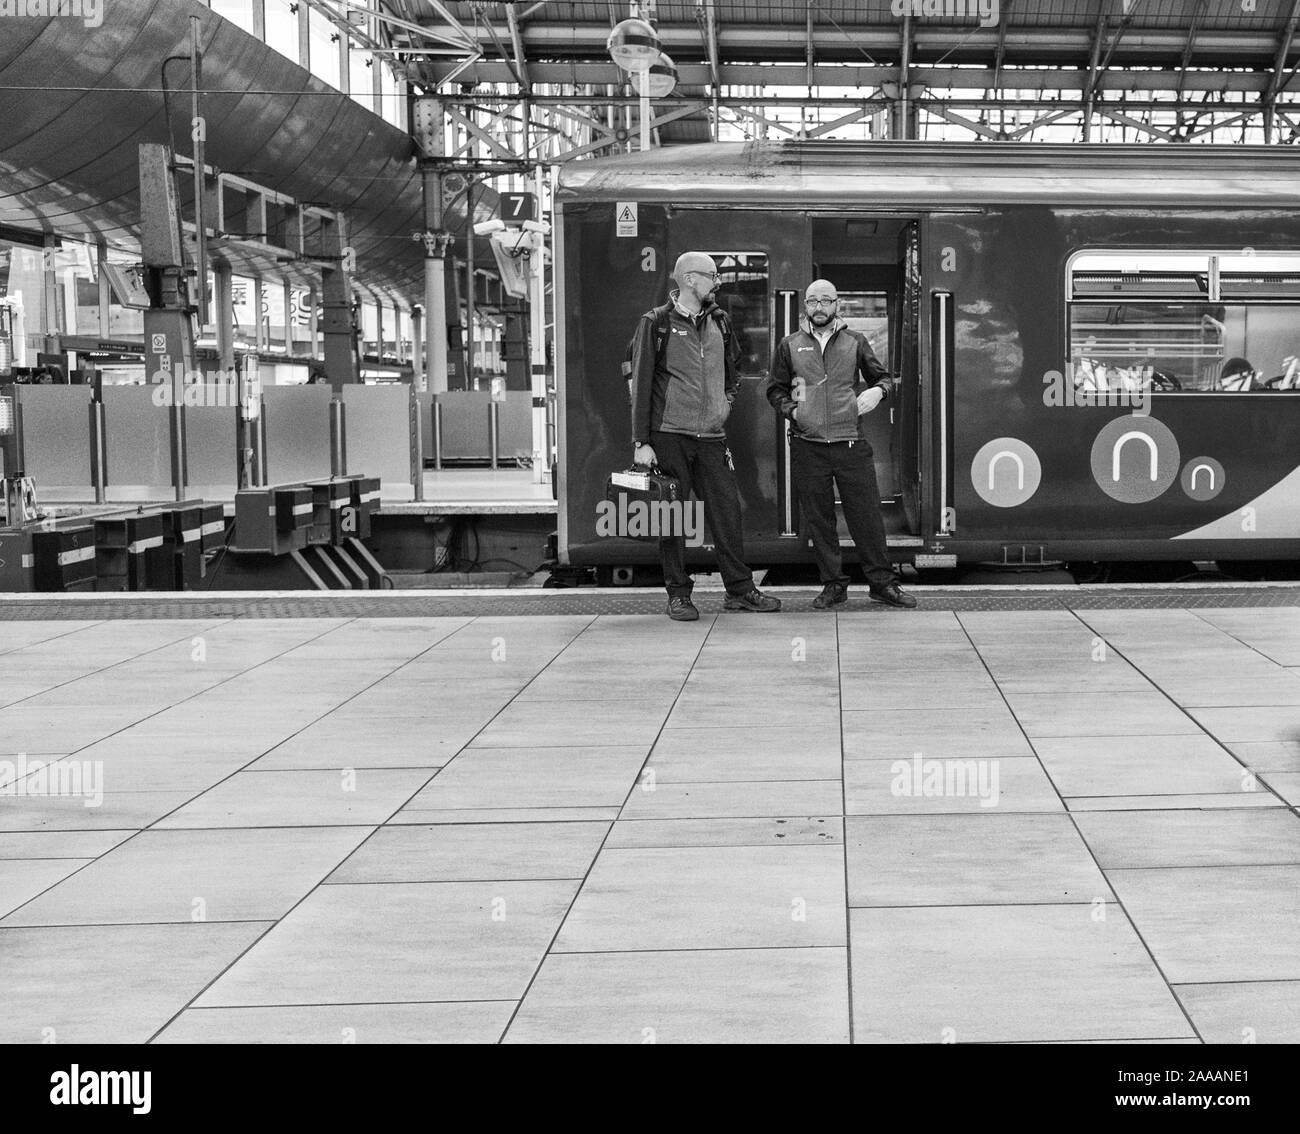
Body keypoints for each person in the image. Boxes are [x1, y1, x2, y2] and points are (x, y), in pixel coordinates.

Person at [629, 251, 781, 621]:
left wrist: (724, 405)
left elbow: (734, 373)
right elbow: (640, 382)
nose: (717, 282)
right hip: (669, 436)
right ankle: (678, 595)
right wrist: (641, 441)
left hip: (711, 437)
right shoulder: (657, 323)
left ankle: (740, 590)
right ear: (690, 279)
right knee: (673, 517)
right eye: (712, 276)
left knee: (726, 513)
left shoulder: (721, 322)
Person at [767, 279, 917, 610]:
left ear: (838, 305)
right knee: (820, 520)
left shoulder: (855, 341)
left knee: (867, 518)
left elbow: (884, 378)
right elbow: (774, 389)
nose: (819, 307)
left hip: (851, 443)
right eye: (812, 301)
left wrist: (878, 392)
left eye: (825, 300)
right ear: (805, 306)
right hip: (808, 445)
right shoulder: (789, 345)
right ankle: (834, 585)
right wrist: (794, 411)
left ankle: (882, 584)